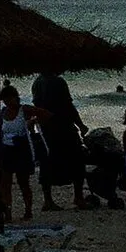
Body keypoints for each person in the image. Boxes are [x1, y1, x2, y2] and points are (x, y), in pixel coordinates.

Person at [32, 71, 88, 211]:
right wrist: (80, 125)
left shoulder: (37, 83)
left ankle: (48, 200)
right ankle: (78, 197)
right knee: (77, 160)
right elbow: (68, 105)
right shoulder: (58, 82)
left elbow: (37, 107)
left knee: (47, 162)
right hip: (63, 126)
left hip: (46, 128)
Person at [0, 85, 37, 221]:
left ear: (15, 97)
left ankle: (28, 210)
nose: (8, 102)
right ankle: (8, 213)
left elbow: (45, 114)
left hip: (21, 149)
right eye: (5, 99)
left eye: (10, 99)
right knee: (5, 183)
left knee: (23, 182)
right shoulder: (2, 112)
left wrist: (32, 123)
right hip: (7, 149)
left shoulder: (24, 109)